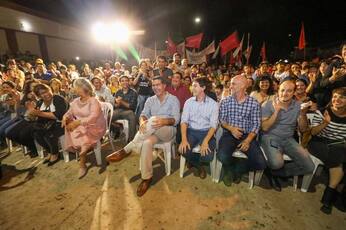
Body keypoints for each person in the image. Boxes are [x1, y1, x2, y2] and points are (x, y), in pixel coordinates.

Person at [106, 76, 180, 197]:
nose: (155, 87)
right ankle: (147, 178)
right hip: (152, 131)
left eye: (158, 85)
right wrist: (142, 122)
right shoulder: (150, 100)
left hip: (168, 130)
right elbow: (143, 114)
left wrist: (164, 121)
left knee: (154, 119)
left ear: (164, 86)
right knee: (146, 143)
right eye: (153, 85)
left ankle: (127, 149)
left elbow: (176, 119)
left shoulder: (173, 99)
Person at [261, 79, 314, 191]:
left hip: (288, 139)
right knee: (277, 163)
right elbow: (265, 127)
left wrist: (303, 114)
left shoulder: (298, 105)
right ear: (278, 91)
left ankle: (275, 173)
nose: (284, 94)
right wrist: (276, 111)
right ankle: (275, 168)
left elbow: (303, 129)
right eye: (282, 90)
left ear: (294, 92)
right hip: (270, 136)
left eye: (289, 91)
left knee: (309, 166)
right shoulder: (268, 104)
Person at [217, 75, 267, 186]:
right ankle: (229, 168)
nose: (230, 86)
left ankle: (237, 170)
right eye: (231, 83)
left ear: (243, 86)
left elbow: (256, 124)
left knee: (261, 163)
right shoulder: (226, 101)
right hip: (229, 133)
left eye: (233, 84)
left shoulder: (253, 103)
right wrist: (231, 129)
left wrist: (248, 140)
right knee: (222, 156)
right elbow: (222, 120)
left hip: (247, 135)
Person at [307, 87, 346, 214]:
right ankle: (330, 197)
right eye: (335, 96)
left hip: (338, 146)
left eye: (342, 97)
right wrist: (325, 123)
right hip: (318, 143)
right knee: (340, 161)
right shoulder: (323, 112)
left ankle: (329, 197)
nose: (337, 99)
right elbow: (313, 132)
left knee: (339, 158)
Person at [62, 78, 106, 178]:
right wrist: (65, 117)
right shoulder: (76, 101)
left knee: (80, 130)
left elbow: (93, 118)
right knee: (70, 126)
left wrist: (78, 122)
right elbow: (69, 112)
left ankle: (82, 161)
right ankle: (84, 149)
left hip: (95, 126)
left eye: (76, 88)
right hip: (82, 125)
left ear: (83, 88)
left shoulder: (93, 101)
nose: (75, 90)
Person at [179, 77, 219, 179]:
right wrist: (184, 139)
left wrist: (205, 141)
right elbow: (184, 121)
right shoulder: (189, 102)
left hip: (206, 132)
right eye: (192, 86)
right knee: (183, 149)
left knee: (208, 156)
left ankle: (193, 161)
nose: (192, 88)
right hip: (191, 131)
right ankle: (199, 166)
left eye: (195, 86)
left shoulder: (213, 104)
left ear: (203, 88)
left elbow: (213, 125)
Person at [29, 84, 69, 166]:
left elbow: (59, 115)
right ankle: (49, 151)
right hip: (48, 124)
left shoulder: (58, 99)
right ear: (39, 96)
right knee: (36, 133)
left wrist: (39, 113)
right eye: (41, 94)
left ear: (50, 89)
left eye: (46, 91)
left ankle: (55, 153)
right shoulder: (40, 102)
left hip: (63, 123)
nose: (46, 94)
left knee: (49, 133)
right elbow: (36, 115)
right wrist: (32, 113)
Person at [112, 75, 138, 141]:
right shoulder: (118, 92)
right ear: (120, 82)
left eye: (126, 81)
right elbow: (115, 106)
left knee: (132, 116)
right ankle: (117, 129)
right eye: (122, 81)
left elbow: (131, 106)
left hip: (128, 112)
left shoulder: (133, 92)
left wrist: (121, 101)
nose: (124, 82)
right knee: (106, 116)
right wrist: (117, 104)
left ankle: (131, 140)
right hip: (118, 110)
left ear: (129, 82)